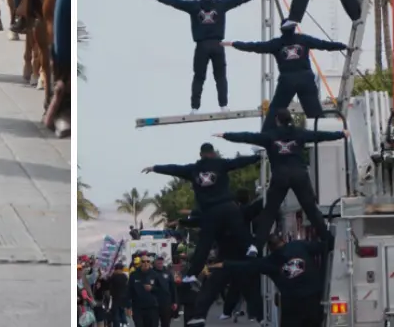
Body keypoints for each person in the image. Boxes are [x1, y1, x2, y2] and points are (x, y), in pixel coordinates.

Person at [216, 108, 346, 247]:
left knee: (269, 212)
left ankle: (256, 246)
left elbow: (248, 137)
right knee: (311, 209)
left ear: (277, 121)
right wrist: (341, 134)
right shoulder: (299, 133)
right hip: (299, 175)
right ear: (290, 119)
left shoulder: (270, 136)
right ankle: (328, 239)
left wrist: (226, 135)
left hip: (280, 176)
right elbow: (319, 135)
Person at [143, 143, 261, 281]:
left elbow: (174, 169)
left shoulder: (193, 169)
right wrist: (257, 157)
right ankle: (250, 246)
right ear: (213, 153)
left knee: (204, 243)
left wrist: (155, 168)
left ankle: (192, 274)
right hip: (228, 206)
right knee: (238, 227)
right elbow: (239, 162)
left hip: (210, 211)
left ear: (200, 154)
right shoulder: (221, 164)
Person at [143, 0, 258, 112]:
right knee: (220, 76)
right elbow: (238, 0)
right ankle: (223, 106)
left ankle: (195, 108)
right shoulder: (221, 5)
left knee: (199, 77)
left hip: (202, 46)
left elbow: (175, 2)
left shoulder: (194, 6)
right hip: (218, 45)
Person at [225, 18, 348, 127]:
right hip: (306, 79)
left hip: (287, 80)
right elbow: (323, 44)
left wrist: (234, 44)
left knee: (275, 111)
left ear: (281, 30)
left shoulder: (277, 43)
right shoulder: (303, 39)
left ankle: (266, 136)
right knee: (315, 113)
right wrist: (343, 46)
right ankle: (323, 136)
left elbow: (256, 47)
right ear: (294, 28)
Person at [202, 233, 331, 327]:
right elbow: (322, 247)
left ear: (270, 248)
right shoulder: (299, 246)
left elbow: (244, 266)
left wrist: (223, 264)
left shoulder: (270, 262)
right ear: (283, 240)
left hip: (293, 306)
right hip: (313, 300)